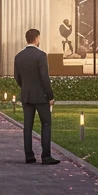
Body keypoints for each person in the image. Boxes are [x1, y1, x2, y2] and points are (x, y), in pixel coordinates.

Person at [15, 28, 58, 165]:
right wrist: (50, 95)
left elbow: (17, 77)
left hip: (26, 95)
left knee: (28, 126)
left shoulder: (19, 56)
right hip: (40, 96)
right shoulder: (41, 55)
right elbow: (44, 78)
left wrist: (26, 88)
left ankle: (29, 155)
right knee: (46, 123)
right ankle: (46, 156)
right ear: (37, 38)